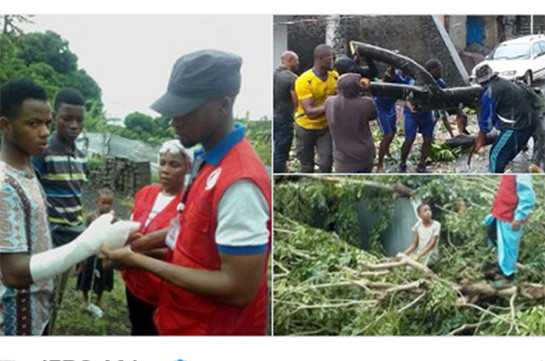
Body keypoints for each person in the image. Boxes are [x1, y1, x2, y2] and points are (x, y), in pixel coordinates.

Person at [102, 49, 271, 335]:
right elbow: (189, 228)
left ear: (223, 104)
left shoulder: (240, 182)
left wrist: (137, 261)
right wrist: (141, 244)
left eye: (185, 110)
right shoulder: (206, 159)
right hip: (182, 320)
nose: (174, 121)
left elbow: (239, 288)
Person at [0, 78, 138, 335]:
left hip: (36, 303)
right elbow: (13, 273)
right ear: (6, 125)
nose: (43, 132)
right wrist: (83, 246)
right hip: (14, 313)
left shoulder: (28, 170)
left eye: (46, 124)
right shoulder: (7, 184)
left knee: (53, 304)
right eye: (34, 124)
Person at [31, 87, 88, 333]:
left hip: (73, 235)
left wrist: (82, 238)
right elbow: (34, 195)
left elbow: (77, 196)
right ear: (54, 117)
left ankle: (49, 333)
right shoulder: (42, 151)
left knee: (59, 294)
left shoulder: (81, 156)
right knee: (42, 292)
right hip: (50, 236)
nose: (74, 126)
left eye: (79, 120)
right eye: (67, 119)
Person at [121, 139, 193, 335]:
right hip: (134, 282)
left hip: (160, 289)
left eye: (174, 164)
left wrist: (139, 252)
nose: (165, 170)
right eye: (162, 163)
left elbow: (180, 251)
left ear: (187, 168)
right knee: (136, 325)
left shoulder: (188, 204)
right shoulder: (146, 192)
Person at [474, 64, 539, 173]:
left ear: (481, 81)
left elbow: (486, 123)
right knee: (504, 156)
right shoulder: (503, 83)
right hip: (529, 122)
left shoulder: (490, 92)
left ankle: (495, 179)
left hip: (516, 127)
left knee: (495, 154)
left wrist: (480, 140)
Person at [483, 175, 535, 289]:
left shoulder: (523, 174)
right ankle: (501, 265)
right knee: (492, 237)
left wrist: (519, 216)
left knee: (509, 247)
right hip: (501, 212)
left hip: (511, 217)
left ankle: (508, 277)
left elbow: (527, 195)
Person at [293, 44, 338, 173]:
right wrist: (332, 103)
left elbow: (340, 97)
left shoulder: (334, 76)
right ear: (320, 59)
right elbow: (310, 112)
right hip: (306, 127)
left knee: (326, 163)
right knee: (307, 166)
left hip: (325, 127)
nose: (334, 61)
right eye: (331, 58)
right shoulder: (304, 80)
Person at [325, 73, 377, 173]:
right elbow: (373, 115)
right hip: (364, 154)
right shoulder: (366, 103)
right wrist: (366, 91)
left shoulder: (329, 102)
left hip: (342, 159)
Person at [76, 188, 117, 314]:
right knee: (86, 275)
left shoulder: (112, 219)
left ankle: (99, 298)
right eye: (103, 203)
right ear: (97, 202)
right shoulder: (91, 217)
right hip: (90, 253)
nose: (106, 206)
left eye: (109, 203)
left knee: (102, 276)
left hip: (104, 254)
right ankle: (85, 298)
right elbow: (85, 233)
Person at [273, 50, 299, 173]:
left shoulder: (272, 74)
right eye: (296, 60)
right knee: (281, 149)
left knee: (277, 146)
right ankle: (279, 174)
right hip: (284, 118)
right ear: (289, 61)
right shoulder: (291, 78)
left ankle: (284, 169)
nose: (298, 63)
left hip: (273, 116)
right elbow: (296, 100)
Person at [375, 66, 400, 172]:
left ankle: (387, 151)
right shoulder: (387, 79)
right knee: (387, 134)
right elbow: (389, 72)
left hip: (391, 106)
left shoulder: (403, 78)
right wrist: (392, 64)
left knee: (393, 130)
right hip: (381, 108)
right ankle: (379, 165)